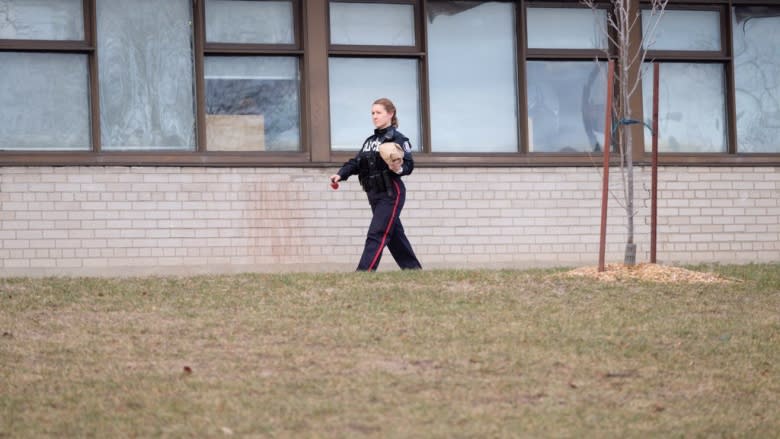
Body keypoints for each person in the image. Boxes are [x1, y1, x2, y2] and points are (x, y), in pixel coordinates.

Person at [329, 98, 422, 272]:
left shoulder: (398, 138)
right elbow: (356, 162)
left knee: (377, 232)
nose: (374, 116)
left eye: (378, 113)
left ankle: (364, 272)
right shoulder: (370, 141)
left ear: (390, 114)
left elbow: (408, 166)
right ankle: (413, 270)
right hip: (374, 194)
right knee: (394, 235)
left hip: (391, 193)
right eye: (372, 113)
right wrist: (340, 174)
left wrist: (397, 167)